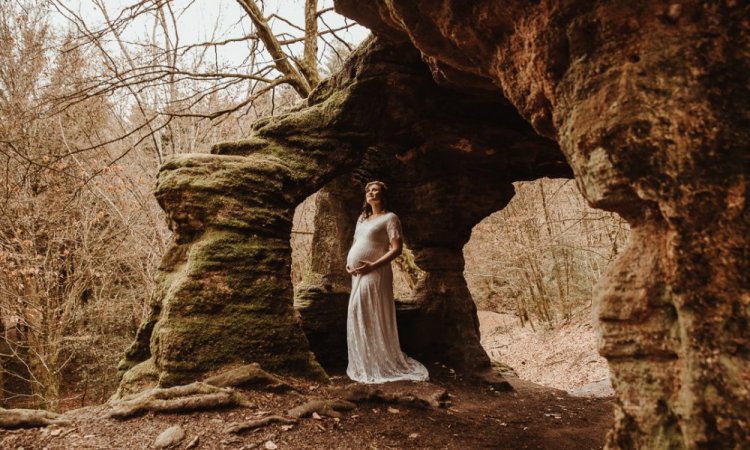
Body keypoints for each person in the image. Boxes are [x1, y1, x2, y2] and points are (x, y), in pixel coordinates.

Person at [345, 181, 429, 383]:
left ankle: (379, 362)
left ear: (383, 195)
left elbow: (396, 249)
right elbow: (357, 243)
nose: (371, 193)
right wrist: (349, 263)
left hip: (376, 272)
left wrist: (372, 265)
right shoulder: (362, 219)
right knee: (356, 313)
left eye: (375, 190)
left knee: (367, 311)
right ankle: (365, 360)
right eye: (368, 191)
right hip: (357, 273)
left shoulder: (391, 218)